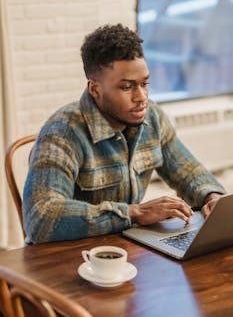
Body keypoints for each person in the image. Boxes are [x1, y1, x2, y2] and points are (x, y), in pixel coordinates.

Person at [23, 23, 225, 244]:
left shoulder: (152, 117)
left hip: (127, 249)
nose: (141, 97)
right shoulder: (61, 133)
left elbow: (188, 172)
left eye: (145, 83)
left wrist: (212, 197)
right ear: (95, 89)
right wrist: (133, 213)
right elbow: (40, 219)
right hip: (66, 258)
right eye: (127, 87)